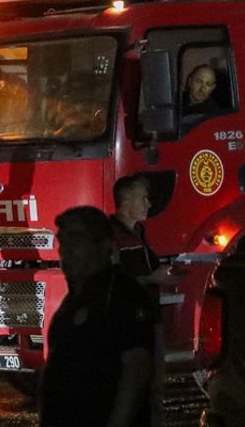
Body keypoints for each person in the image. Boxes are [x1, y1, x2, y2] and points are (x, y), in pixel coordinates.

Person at [41, 206, 157, 427]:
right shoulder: (73, 301)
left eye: (76, 241)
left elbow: (136, 372)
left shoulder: (120, 294)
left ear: (103, 245)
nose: (66, 250)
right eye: (62, 241)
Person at [111, 176, 181, 426]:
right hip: (127, 326)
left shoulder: (138, 231)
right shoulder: (111, 236)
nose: (149, 204)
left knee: (153, 389)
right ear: (126, 202)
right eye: (143, 198)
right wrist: (153, 278)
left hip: (148, 320)